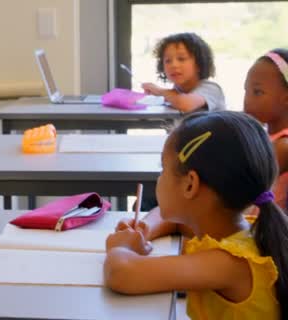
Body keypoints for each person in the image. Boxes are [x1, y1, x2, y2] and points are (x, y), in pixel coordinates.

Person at [104, 111, 286, 319]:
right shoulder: (233, 228)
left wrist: (120, 247)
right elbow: (171, 221)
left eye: (163, 168)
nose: (159, 177)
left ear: (190, 184)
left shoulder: (228, 263)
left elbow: (121, 274)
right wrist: (144, 229)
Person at [244, 48, 288, 211]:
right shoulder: (264, 135)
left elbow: (244, 188)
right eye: (246, 91)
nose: (247, 100)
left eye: (257, 92)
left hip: (263, 229)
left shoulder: (283, 145)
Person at [142, 32, 226, 112]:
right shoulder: (176, 91)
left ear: (199, 63)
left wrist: (159, 91)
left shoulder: (211, 89)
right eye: (168, 61)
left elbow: (185, 104)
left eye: (181, 59)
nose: (173, 65)